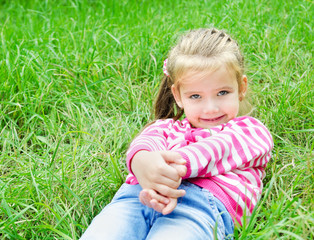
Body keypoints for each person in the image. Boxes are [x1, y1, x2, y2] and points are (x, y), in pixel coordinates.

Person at [80, 28, 273, 240]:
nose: (211, 108)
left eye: (222, 93)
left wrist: (170, 173)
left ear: (241, 87)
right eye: (196, 96)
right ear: (178, 96)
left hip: (200, 209)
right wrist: (142, 163)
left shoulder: (250, 131)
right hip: (136, 198)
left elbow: (216, 150)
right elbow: (143, 144)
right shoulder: (165, 127)